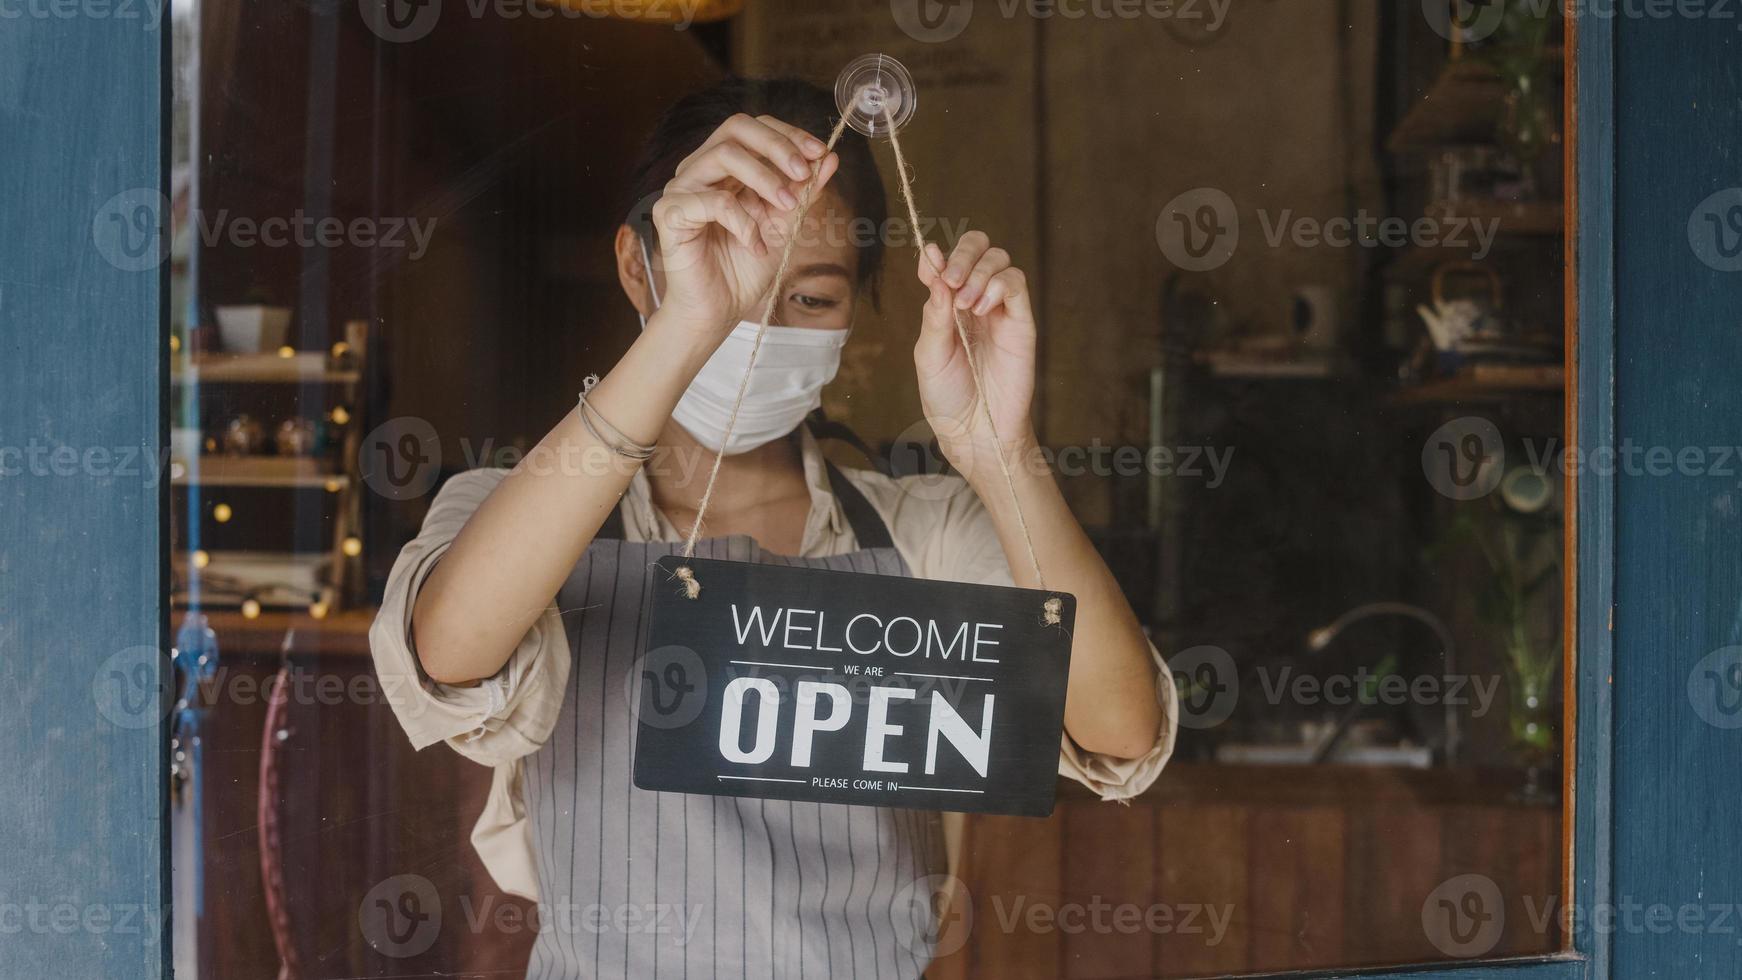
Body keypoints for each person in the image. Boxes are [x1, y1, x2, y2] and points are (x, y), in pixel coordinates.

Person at [371, 76, 1178, 979]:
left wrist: (1000, 452)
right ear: (639, 267)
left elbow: (1120, 730)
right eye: (723, 267)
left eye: (812, 298)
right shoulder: (516, 510)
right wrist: (683, 329)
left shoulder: (925, 530)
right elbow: (447, 653)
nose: (756, 321)